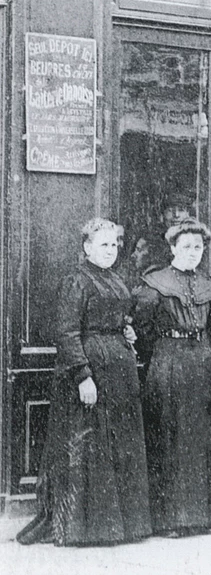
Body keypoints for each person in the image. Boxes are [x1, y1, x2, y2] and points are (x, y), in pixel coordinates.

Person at [17, 219, 151, 546]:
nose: (110, 250)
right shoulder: (76, 281)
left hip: (119, 372)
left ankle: (121, 527)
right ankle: (87, 528)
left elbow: (119, 320)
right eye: (103, 244)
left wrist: (126, 331)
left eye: (114, 245)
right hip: (91, 371)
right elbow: (67, 333)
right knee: (90, 447)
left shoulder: (117, 280)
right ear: (87, 247)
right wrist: (83, 376)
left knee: (117, 445)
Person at [134, 219, 211, 536]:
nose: (193, 252)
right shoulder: (155, 284)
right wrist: (163, 356)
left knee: (203, 441)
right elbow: (142, 331)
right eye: (187, 246)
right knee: (168, 438)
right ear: (173, 248)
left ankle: (203, 517)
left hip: (204, 368)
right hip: (168, 367)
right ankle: (170, 520)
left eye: (198, 247)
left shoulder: (210, 288)